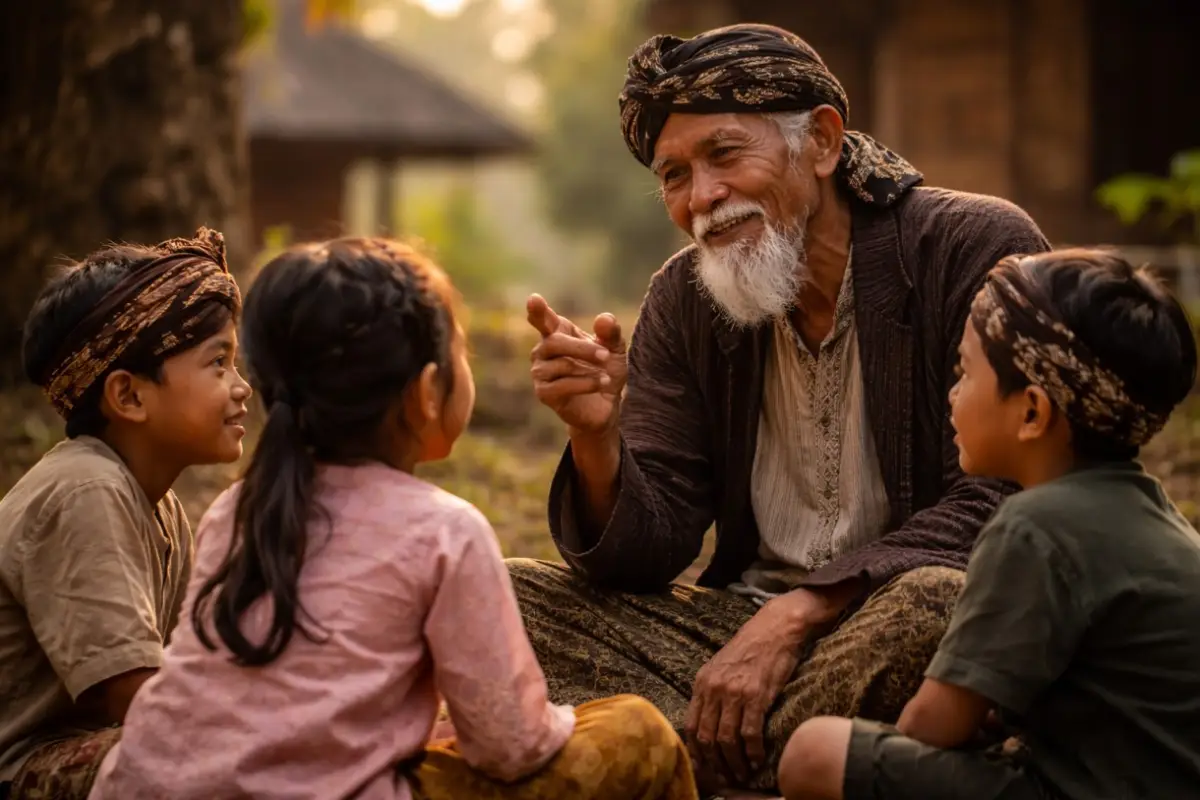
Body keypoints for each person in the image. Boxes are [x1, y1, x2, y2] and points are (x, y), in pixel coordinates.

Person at [514, 22, 1052, 793]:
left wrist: (801, 610)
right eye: (673, 175)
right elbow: (649, 553)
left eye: (725, 155)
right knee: (506, 597)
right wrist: (598, 441)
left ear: (824, 142)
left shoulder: (973, 246)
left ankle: (677, 766)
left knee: (937, 605)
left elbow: (1008, 497)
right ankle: (788, 768)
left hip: (897, 624)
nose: (702, 197)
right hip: (733, 639)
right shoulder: (683, 296)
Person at [87, 238, 698, 800]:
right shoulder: (445, 532)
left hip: (142, 783)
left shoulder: (236, 509)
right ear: (429, 392)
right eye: (461, 349)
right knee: (636, 729)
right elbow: (510, 748)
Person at [777, 249, 1200, 799]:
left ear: (1031, 412)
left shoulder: (1034, 525)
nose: (952, 394)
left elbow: (930, 728)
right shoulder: (1160, 521)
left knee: (815, 752)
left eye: (964, 373)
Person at [0, 228, 250, 800]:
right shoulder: (85, 489)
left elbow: (189, 660)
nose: (243, 389)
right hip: (20, 768)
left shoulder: (157, 504)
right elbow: (134, 694)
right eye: (219, 363)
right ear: (129, 396)